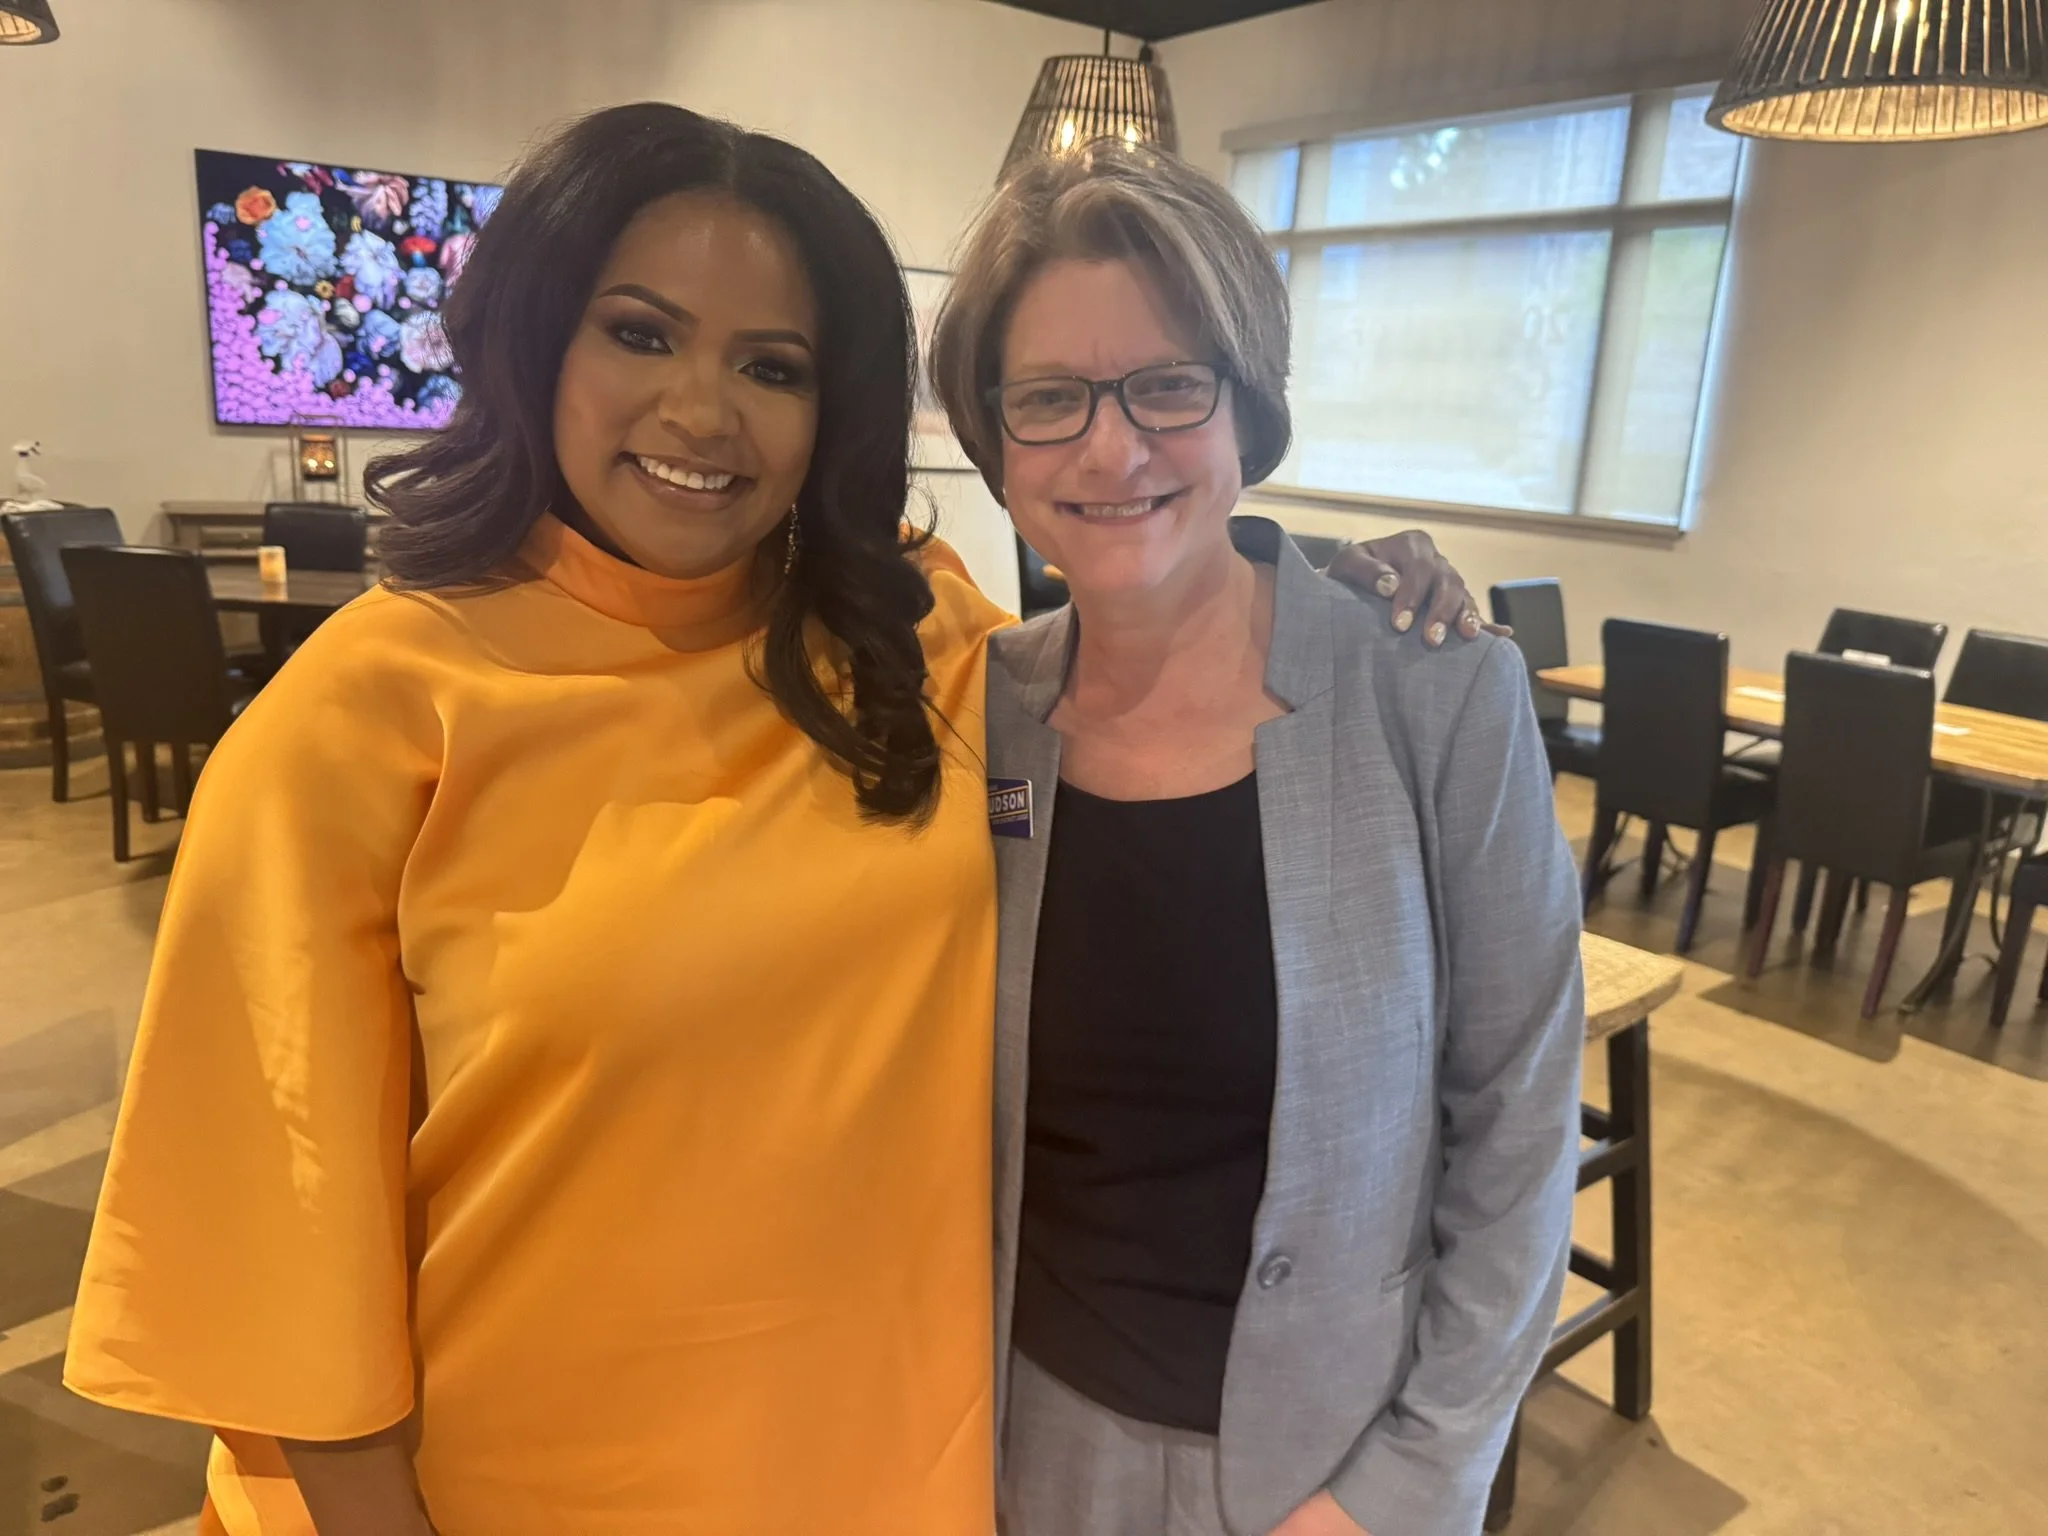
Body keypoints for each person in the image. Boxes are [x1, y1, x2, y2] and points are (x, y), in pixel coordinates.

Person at [63, 105, 1483, 1536]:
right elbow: (276, 1277)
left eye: (772, 365)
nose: (701, 409)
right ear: (534, 338)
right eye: (639, 332)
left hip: (901, 1480)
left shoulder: (911, 631)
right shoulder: (365, 716)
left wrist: (1320, 585)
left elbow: (1142, 655)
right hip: (522, 1490)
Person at [931, 142, 1585, 1536]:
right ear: (994, 441)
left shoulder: (1436, 694)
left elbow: (1519, 1136)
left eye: (1170, 383)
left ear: (1248, 407)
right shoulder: (976, 714)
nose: (1113, 450)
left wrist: (1405, 1485)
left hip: (1337, 1464)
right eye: (1049, 399)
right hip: (1022, 1446)